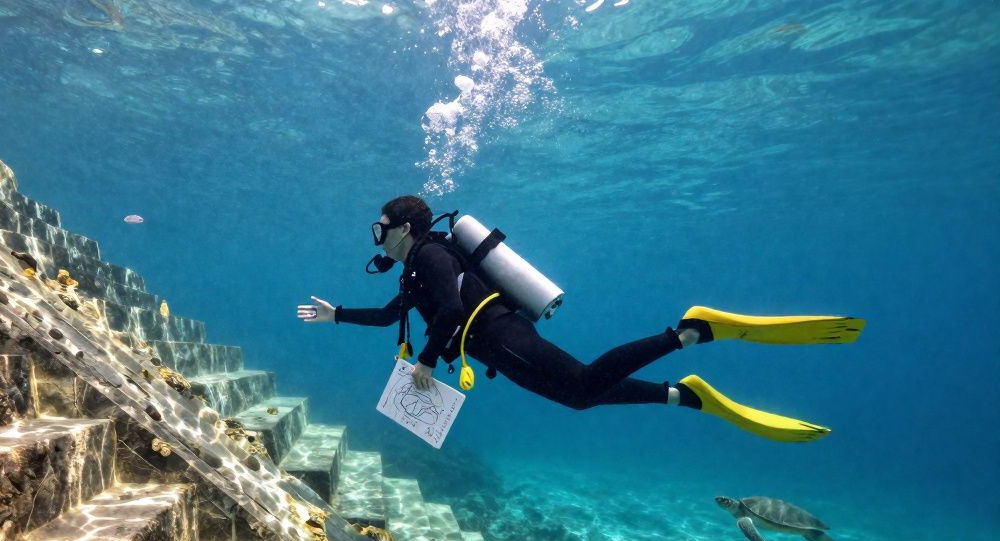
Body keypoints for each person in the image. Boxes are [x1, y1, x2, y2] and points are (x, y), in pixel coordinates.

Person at [298, 195, 865, 443]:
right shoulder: (415, 269)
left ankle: (689, 331)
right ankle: (681, 395)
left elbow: (448, 311)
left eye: (380, 228)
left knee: (585, 381)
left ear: (402, 228)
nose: (376, 238)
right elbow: (391, 315)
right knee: (577, 397)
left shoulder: (430, 255)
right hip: (495, 345)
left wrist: (425, 361)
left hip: (500, 335)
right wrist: (336, 315)